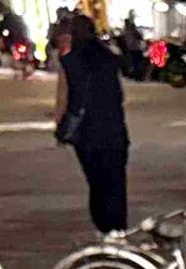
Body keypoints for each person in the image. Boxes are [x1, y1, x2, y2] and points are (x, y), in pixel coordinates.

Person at [54, 8, 131, 234]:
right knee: (116, 183)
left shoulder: (71, 60)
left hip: (88, 136)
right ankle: (119, 229)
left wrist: (63, 128)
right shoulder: (109, 58)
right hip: (116, 133)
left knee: (97, 184)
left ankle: (105, 229)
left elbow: (73, 99)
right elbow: (120, 95)